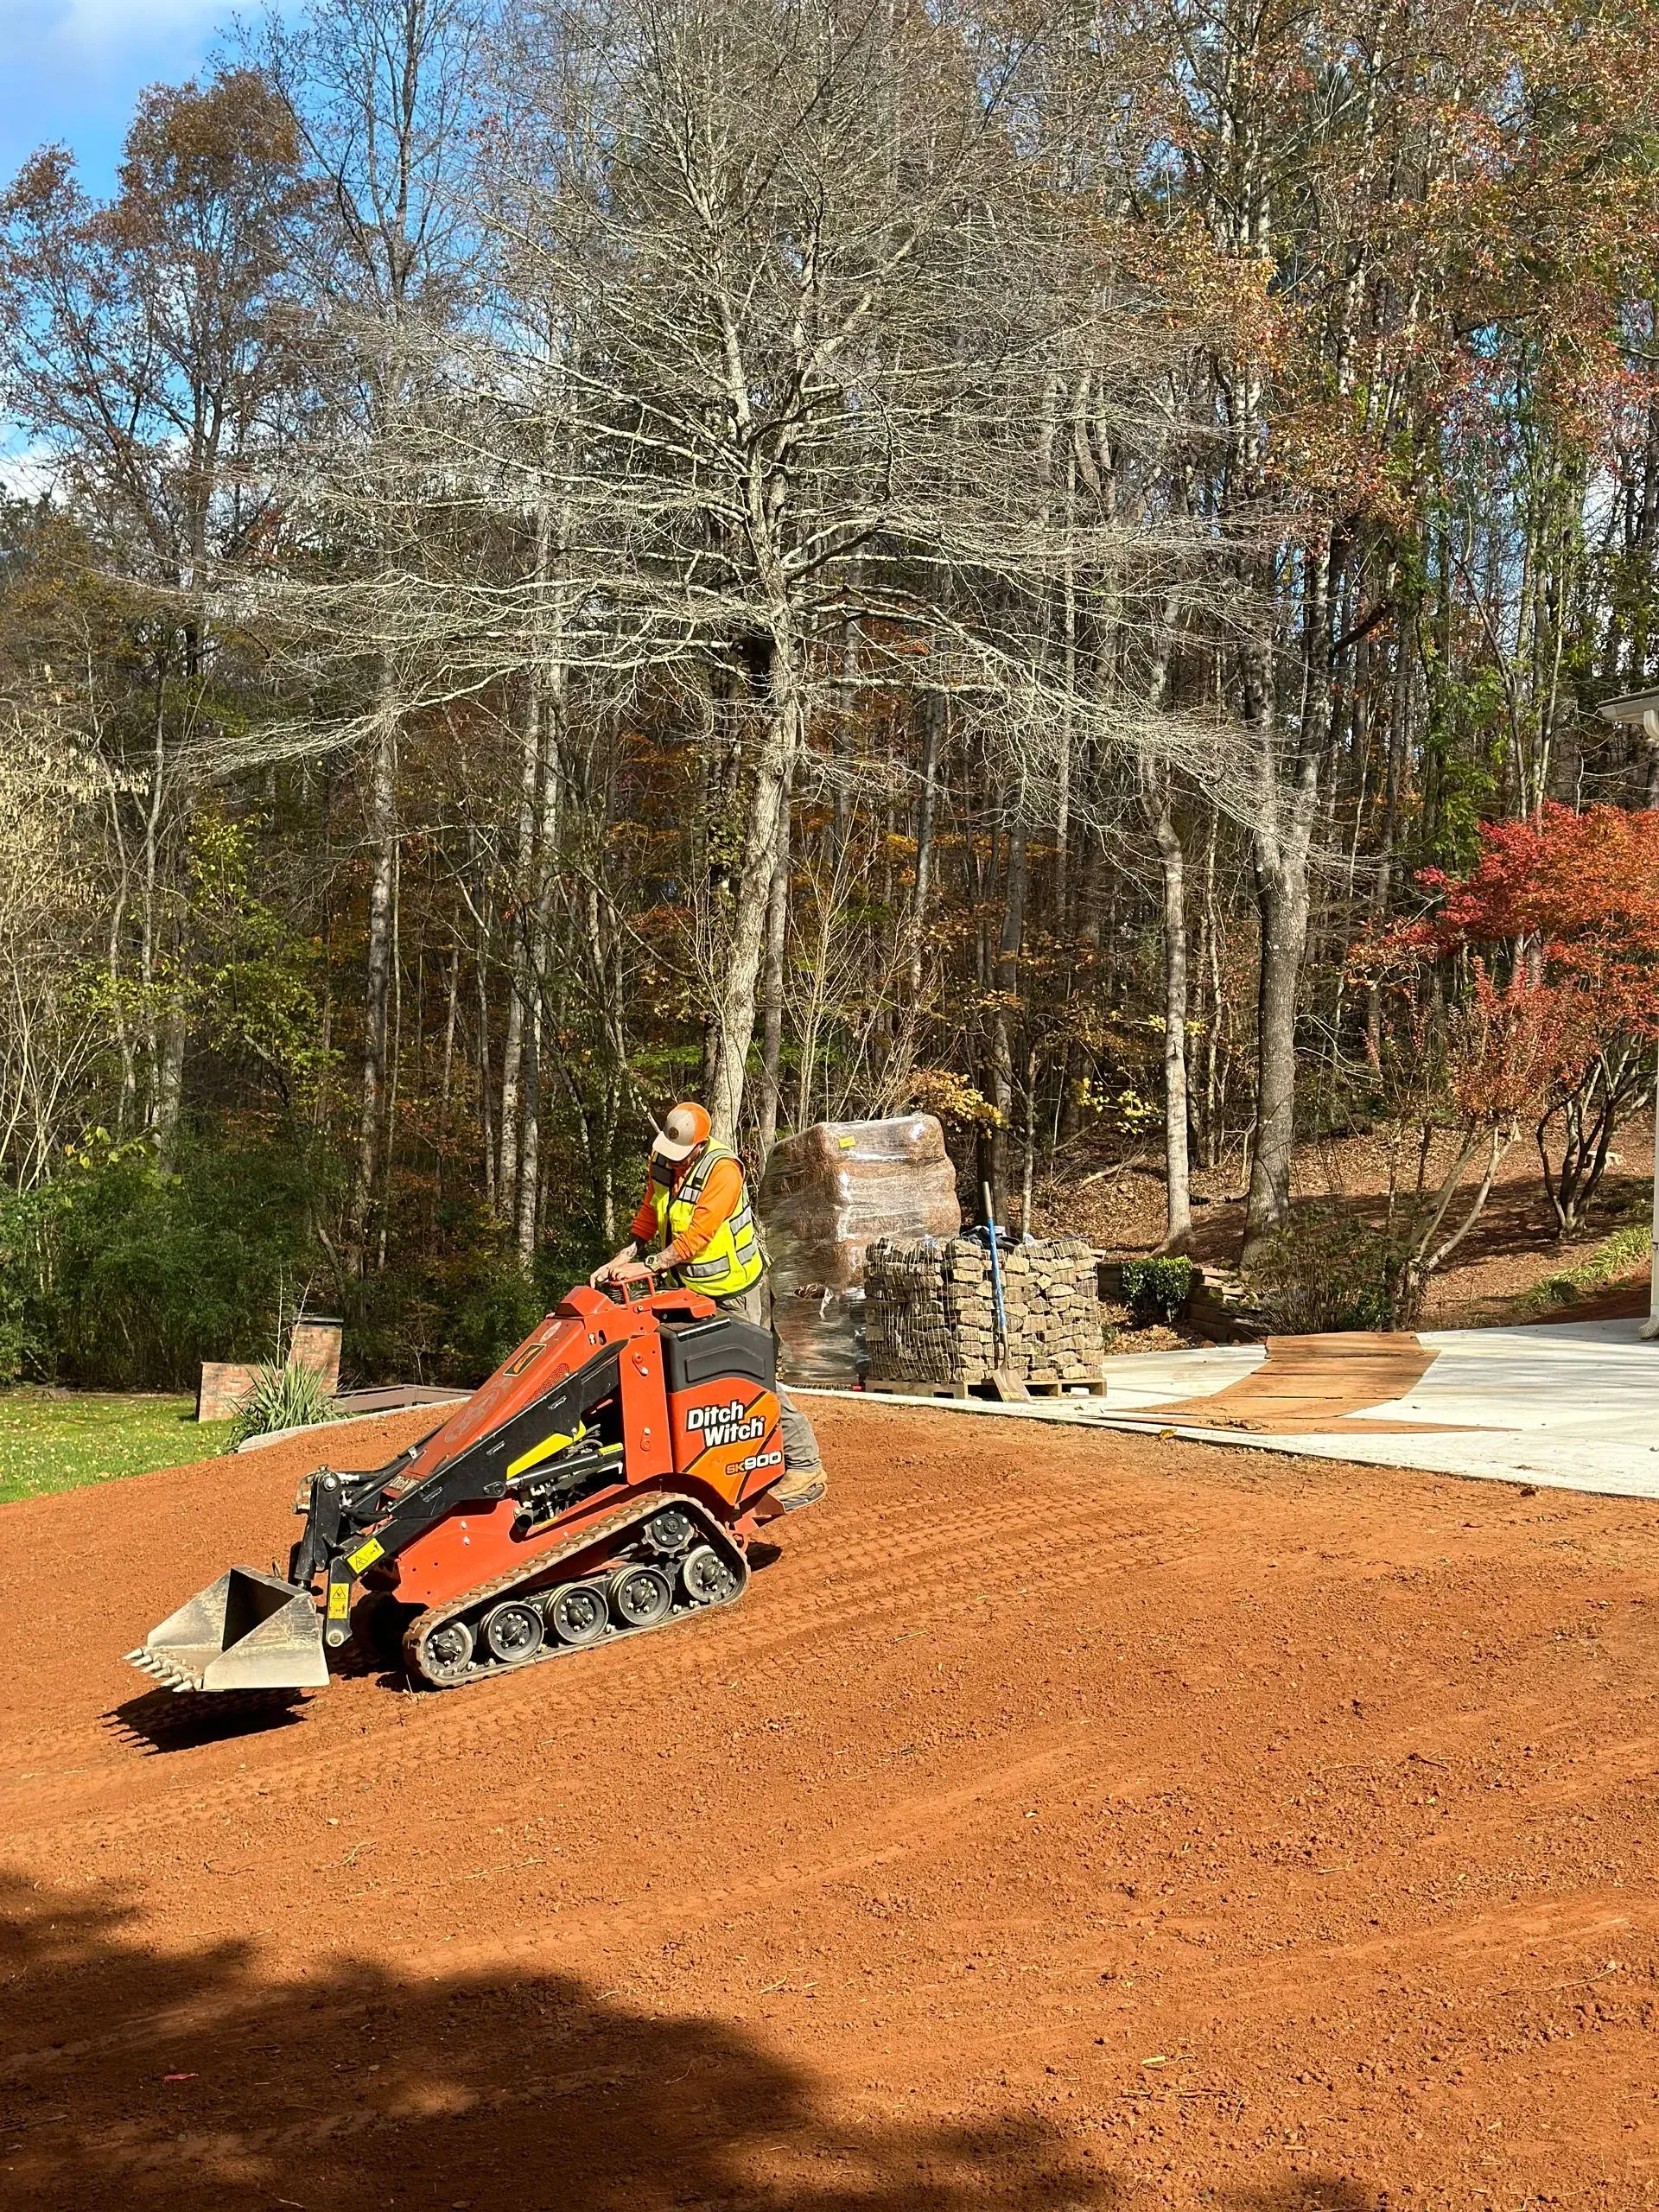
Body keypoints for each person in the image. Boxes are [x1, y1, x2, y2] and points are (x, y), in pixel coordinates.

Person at [591, 1103, 827, 1510]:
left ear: (699, 1145)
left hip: (736, 1291)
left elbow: (696, 1237)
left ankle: (804, 1462)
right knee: (689, 1376)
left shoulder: (723, 1171)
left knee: (747, 1376)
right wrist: (624, 1254)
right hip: (688, 1289)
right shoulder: (664, 1157)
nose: (672, 1159)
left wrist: (645, 1267)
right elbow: (649, 1213)